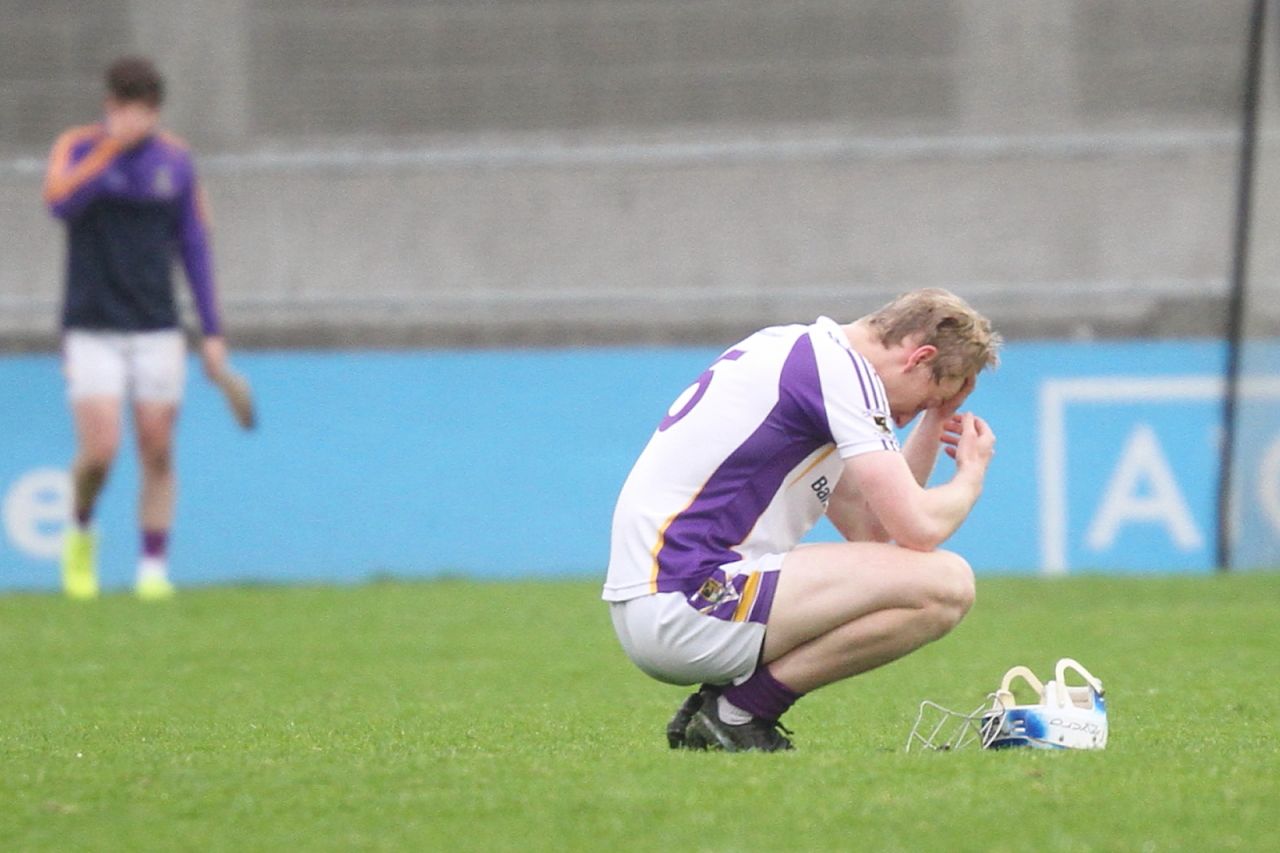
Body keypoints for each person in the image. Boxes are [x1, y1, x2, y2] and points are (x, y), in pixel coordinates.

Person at [603, 288, 1001, 751]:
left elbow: (871, 529)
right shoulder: (842, 374)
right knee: (948, 583)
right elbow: (917, 529)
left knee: (930, 584)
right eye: (922, 403)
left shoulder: (804, 353)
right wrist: (970, 475)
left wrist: (937, 422)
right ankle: (738, 713)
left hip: (659, 600)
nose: (907, 418)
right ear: (920, 357)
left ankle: (734, 710)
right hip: (687, 600)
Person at [44, 56, 231, 600]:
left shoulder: (176, 162)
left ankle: (153, 568)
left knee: (157, 446)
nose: (135, 122)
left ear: (155, 112)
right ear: (110, 108)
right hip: (91, 324)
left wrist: (211, 330)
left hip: (156, 325)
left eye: (145, 113)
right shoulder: (78, 148)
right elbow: (59, 203)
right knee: (101, 449)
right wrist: (108, 152)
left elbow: (194, 244)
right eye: (125, 111)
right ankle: (80, 529)